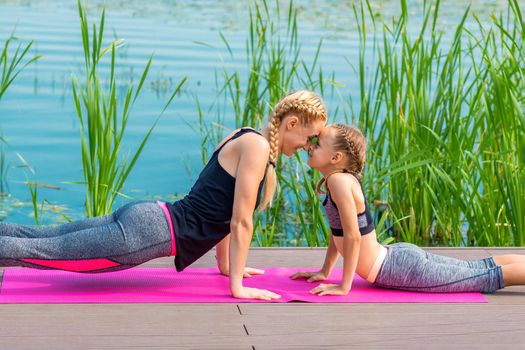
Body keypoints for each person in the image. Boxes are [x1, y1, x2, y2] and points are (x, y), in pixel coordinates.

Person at [0, 90, 327, 300]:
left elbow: (221, 211)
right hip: (149, 234)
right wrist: (237, 286)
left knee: (38, 235)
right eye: (310, 137)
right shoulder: (257, 149)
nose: (308, 147)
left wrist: (228, 267)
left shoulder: (246, 136)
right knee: (41, 251)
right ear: (293, 123)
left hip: (152, 215)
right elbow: (240, 220)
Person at [291, 123, 525, 295]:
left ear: (336, 157)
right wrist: (325, 271)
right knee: (479, 269)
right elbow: (338, 231)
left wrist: (344, 285)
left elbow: (352, 236)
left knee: (486, 277)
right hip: (397, 259)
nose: (310, 146)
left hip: (396, 269)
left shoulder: (338, 182)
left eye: (318, 143)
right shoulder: (337, 180)